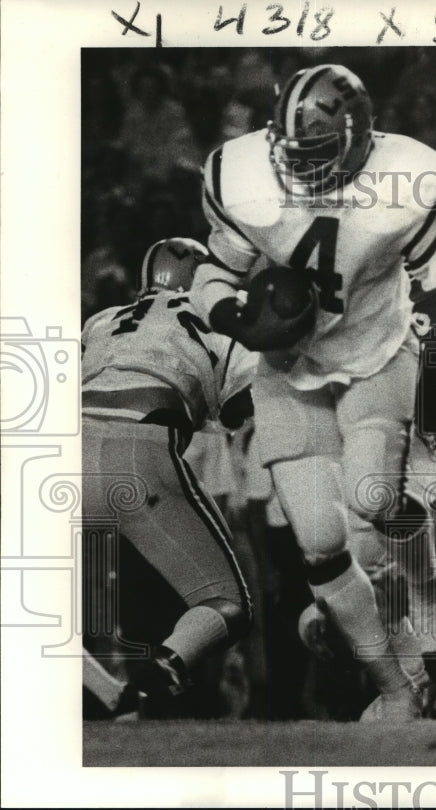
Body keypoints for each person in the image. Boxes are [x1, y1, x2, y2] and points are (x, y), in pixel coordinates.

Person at [189, 64, 436, 719]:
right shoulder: (243, 176)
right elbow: (214, 271)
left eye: (321, 151)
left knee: (374, 496)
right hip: (288, 367)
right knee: (321, 546)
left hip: (376, 355)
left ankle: (427, 595)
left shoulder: (406, 180)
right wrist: (234, 318)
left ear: (360, 139)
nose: (303, 168)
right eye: (294, 153)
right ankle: (397, 689)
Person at [81, 237, 258, 711]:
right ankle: (168, 665)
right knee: (229, 604)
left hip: (65, 457)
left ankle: (111, 695)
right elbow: (238, 413)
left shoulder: (101, 321)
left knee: (35, 603)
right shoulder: (223, 325)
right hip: (143, 450)